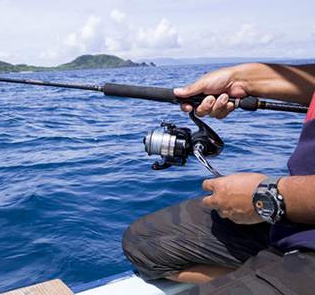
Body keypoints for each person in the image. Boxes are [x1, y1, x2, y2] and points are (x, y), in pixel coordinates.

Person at [121, 62, 315, 294]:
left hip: (293, 216)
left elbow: (272, 197)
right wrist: (238, 80)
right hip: (296, 219)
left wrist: (269, 197)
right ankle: (269, 271)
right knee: (142, 243)